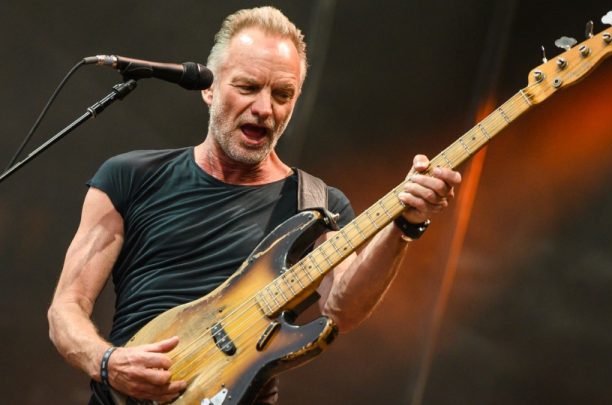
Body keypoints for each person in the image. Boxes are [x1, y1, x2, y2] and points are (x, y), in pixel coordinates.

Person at [47, 6, 461, 404]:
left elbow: (342, 309)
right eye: (247, 87)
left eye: (282, 94)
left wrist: (403, 226)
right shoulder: (129, 176)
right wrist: (107, 363)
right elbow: (66, 308)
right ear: (208, 87)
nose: (264, 109)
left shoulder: (318, 205)